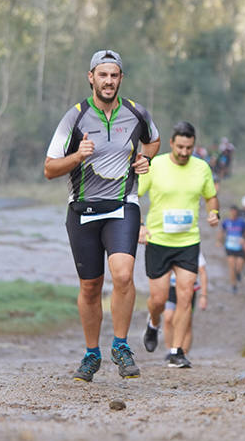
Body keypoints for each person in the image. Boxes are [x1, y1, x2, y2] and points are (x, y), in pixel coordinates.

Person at [44, 49, 160, 382]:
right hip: (82, 208)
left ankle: (121, 346)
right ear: (91, 77)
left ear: (121, 78)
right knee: (91, 285)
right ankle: (92, 353)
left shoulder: (136, 113)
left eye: (114, 75)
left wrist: (143, 159)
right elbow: (50, 169)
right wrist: (77, 156)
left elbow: (153, 141)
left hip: (123, 204)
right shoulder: (74, 118)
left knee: (123, 275)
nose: (108, 81)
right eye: (102, 75)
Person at [138, 121, 220, 368]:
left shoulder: (202, 168)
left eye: (189, 148)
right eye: (181, 147)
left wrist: (214, 212)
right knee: (159, 300)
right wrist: (139, 226)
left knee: (185, 296)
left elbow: (211, 196)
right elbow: (133, 195)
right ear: (172, 143)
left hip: (188, 241)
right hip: (159, 241)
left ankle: (177, 350)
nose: (185, 152)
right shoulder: (156, 165)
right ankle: (153, 324)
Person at [162, 253, 209, 359]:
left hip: (189, 290)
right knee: (168, 318)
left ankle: (183, 353)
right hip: (171, 288)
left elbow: (202, 272)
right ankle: (170, 350)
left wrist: (204, 295)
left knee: (186, 323)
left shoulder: (193, 246)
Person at [219, 205, 245, 293]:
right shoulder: (226, 222)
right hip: (229, 247)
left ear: (237, 212)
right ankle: (233, 285)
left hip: (239, 248)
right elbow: (221, 231)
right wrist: (219, 241)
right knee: (232, 267)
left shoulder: (241, 222)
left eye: (234, 212)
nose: (233, 213)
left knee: (239, 266)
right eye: (231, 211)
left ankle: (238, 273)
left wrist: (243, 238)